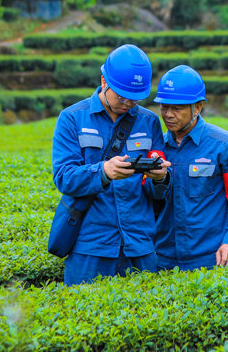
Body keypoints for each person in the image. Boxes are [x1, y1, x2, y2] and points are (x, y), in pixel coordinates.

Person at [51, 44, 172, 286]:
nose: (128, 102)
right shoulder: (72, 118)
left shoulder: (148, 122)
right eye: (122, 95)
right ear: (104, 81)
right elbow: (64, 177)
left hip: (139, 245)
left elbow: (155, 191)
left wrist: (159, 178)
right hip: (90, 246)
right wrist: (103, 172)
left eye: (135, 97)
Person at [152, 65, 228, 271]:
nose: (168, 114)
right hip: (162, 261)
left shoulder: (225, 145)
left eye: (177, 108)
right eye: (164, 107)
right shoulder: (156, 148)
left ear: (198, 107)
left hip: (210, 261)